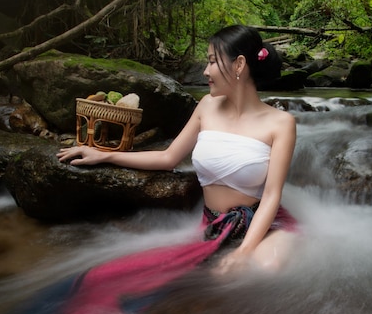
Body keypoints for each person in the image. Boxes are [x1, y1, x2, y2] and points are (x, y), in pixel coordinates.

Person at [57, 25, 297, 274]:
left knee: (265, 270)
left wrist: (243, 252)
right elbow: (168, 157)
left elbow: (271, 196)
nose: (206, 71)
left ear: (238, 65)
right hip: (213, 223)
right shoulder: (206, 106)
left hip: (266, 225)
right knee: (111, 277)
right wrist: (105, 155)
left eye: (213, 61)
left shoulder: (281, 123)